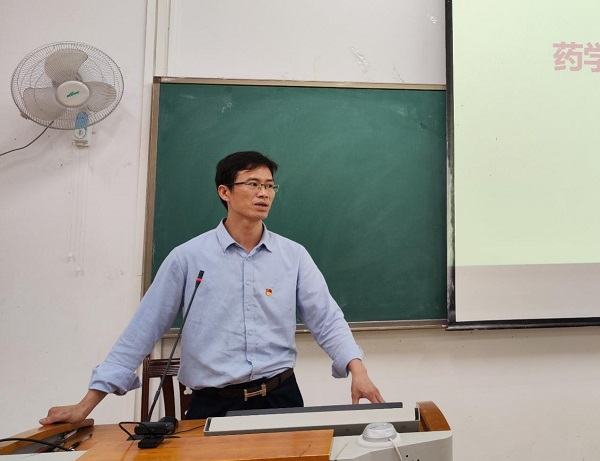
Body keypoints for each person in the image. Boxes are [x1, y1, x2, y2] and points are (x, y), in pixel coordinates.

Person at [40, 151, 384, 424]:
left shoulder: (293, 256)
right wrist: (86, 404)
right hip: (213, 405)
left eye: (270, 185)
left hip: (281, 399)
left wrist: (358, 369)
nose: (264, 193)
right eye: (253, 183)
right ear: (225, 191)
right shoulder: (188, 258)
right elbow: (142, 331)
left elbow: (326, 318)